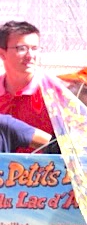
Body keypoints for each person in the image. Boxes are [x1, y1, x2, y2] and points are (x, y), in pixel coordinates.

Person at [0, 20, 66, 152]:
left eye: (35, 48)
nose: (30, 56)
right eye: (22, 49)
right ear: (2, 53)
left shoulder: (54, 92)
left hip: (46, 170)